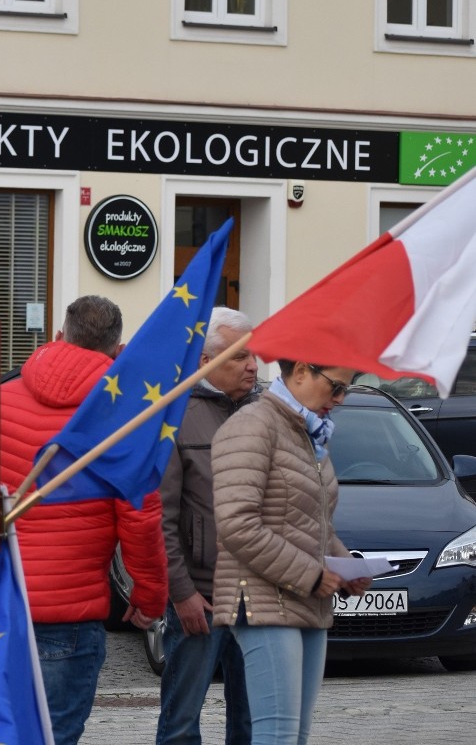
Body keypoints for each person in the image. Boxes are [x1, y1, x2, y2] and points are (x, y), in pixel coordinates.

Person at [0, 295, 168, 745]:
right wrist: (150, 597)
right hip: (69, 616)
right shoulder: (126, 414)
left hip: (1, 604)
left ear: (58, 336)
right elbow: (139, 520)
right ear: (117, 351)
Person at [211, 360, 372, 745]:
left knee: (295, 734)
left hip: (305, 600)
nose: (340, 398)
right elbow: (237, 524)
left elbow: (314, 524)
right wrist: (312, 575)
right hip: (265, 599)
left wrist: (346, 565)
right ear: (300, 370)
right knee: (276, 735)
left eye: (345, 389)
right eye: (335, 386)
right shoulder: (253, 425)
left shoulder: (308, 433)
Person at [156, 307, 256, 745]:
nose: (252, 365)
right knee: (181, 721)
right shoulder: (173, 416)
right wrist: (182, 594)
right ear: (204, 362)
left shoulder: (266, 414)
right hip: (203, 596)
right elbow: (161, 519)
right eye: (238, 356)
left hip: (259, 594)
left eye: (254, 355)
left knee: (255, 722)